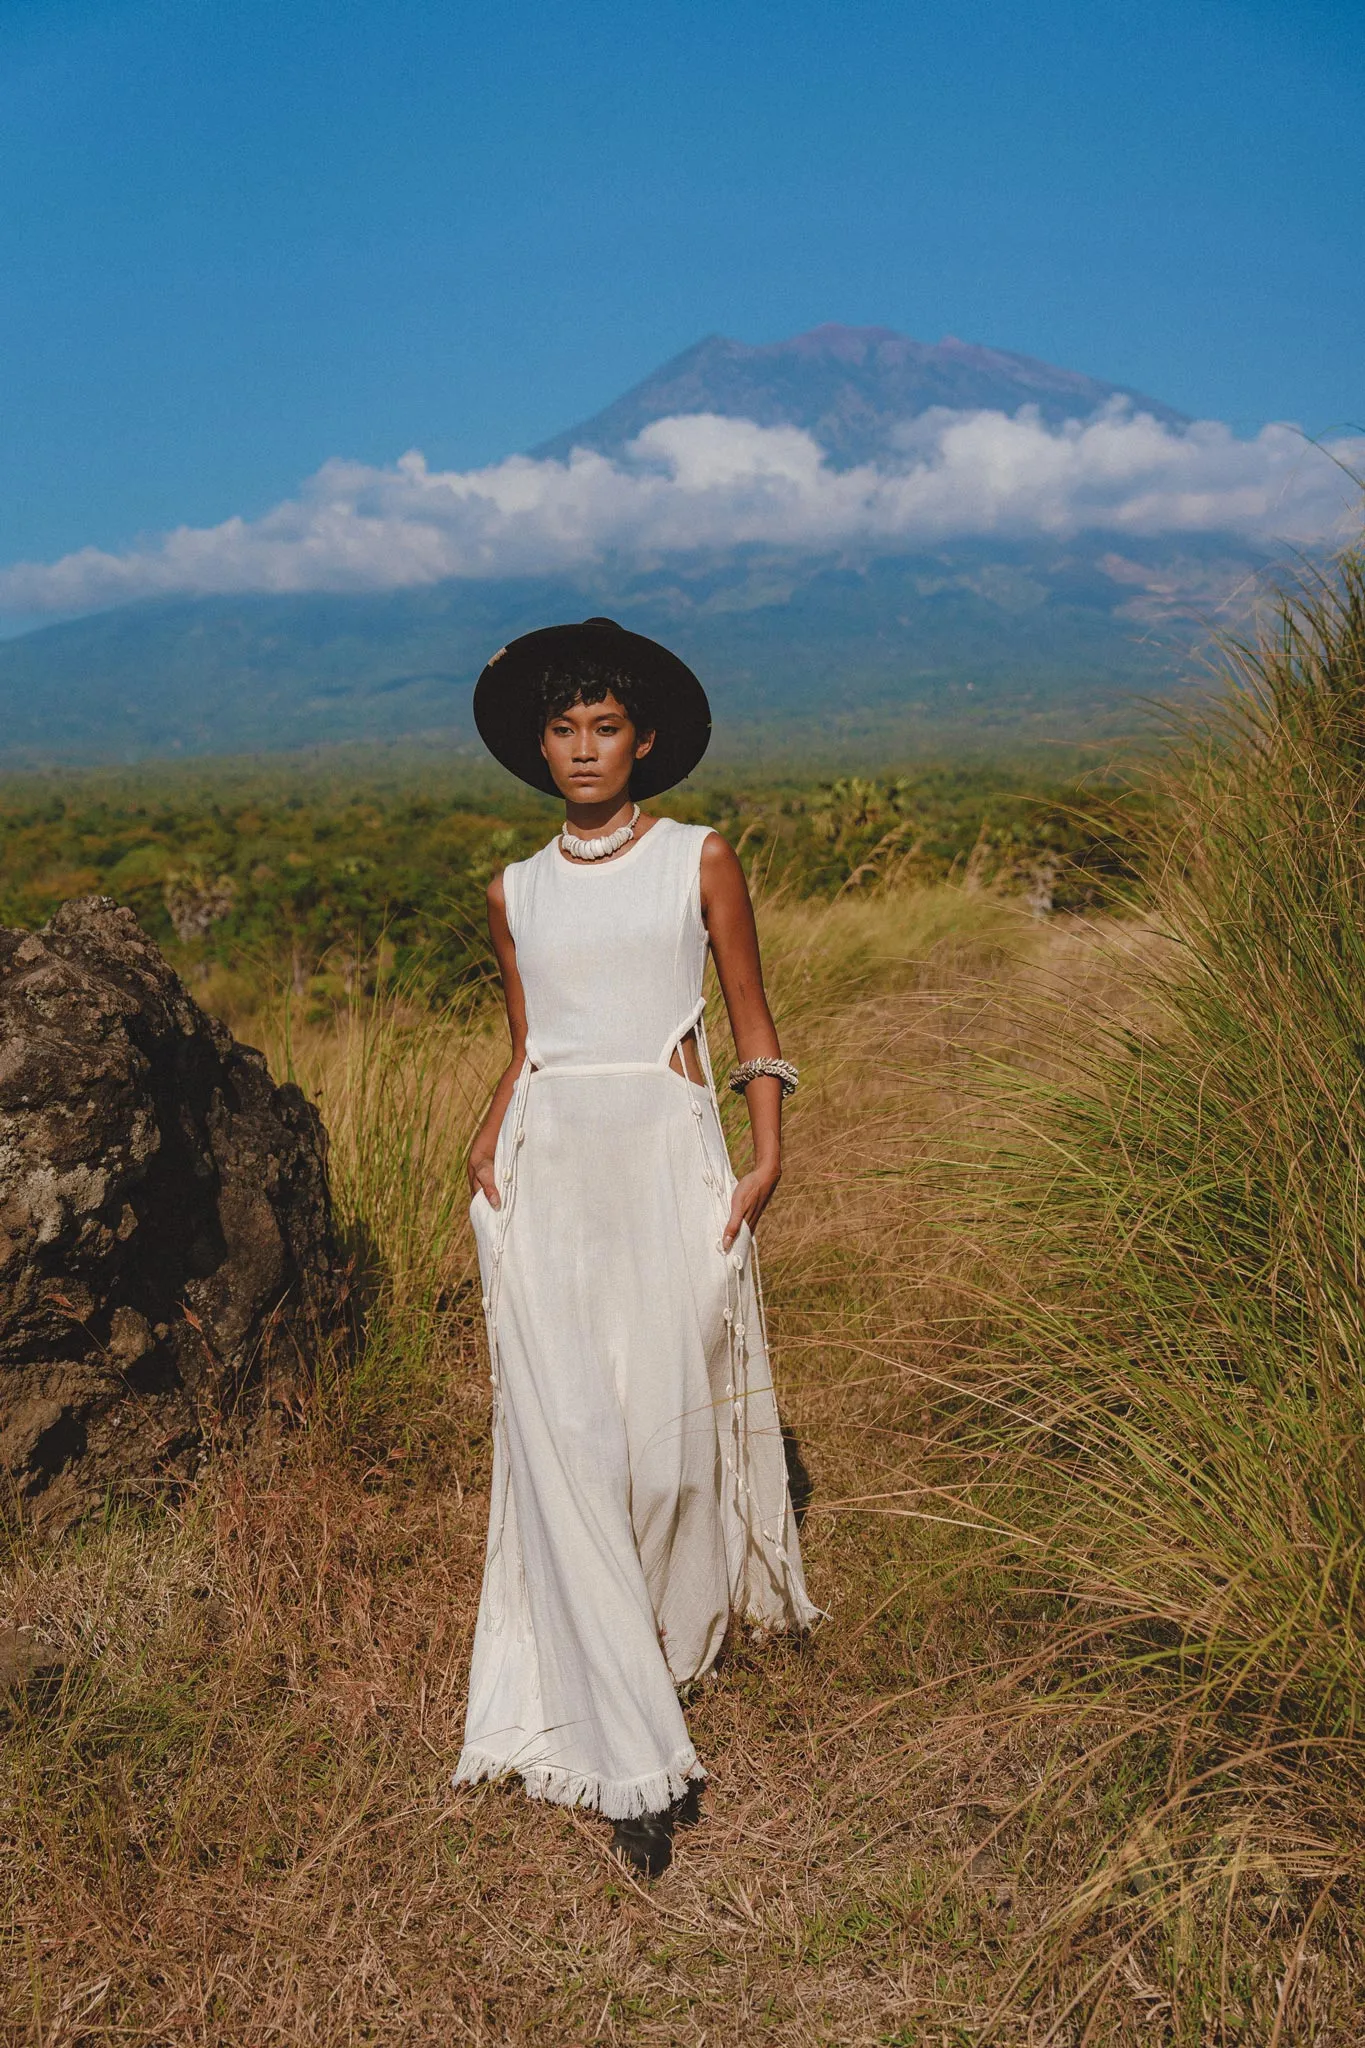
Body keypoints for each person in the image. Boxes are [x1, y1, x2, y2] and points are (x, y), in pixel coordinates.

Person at [454, 617, 818, 1878]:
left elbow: (755, 1022)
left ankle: (653, 1649)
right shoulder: (512, 889)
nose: (584, 748)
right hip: (548, 1175)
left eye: (606, 725)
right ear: (538, 746)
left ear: (645, 739)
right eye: (563, 728)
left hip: (667, 1163)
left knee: (661, 1458)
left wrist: (764, 1157)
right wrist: (487, 1142)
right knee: (575, 1445)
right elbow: (528, 1043)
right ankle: (630, 1753)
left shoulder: (699, 860)